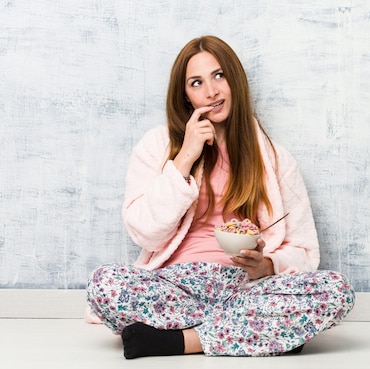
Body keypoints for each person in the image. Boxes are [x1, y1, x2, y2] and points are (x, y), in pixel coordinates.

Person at [86, 35, 355, 359]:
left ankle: (178, 342)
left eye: (218, 75)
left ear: (234, 80)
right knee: (104, 284)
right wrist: (184, 158)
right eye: (196, 83)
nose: (211, 91)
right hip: (175, 286)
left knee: (337, 290)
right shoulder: (156, 146)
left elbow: (305, 251)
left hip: (245, 287)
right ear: (185, 96)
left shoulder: (274, 158)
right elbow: (143, 231)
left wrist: (267, 266)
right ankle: (264, 334)